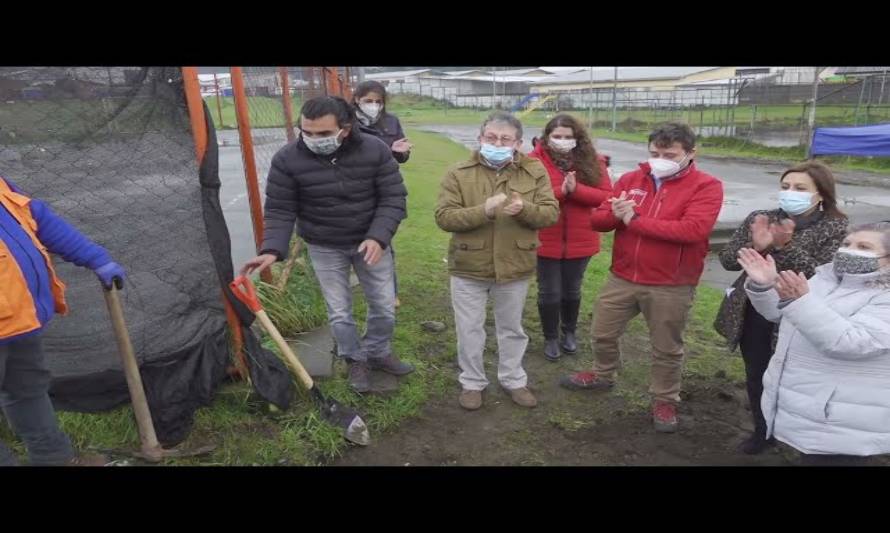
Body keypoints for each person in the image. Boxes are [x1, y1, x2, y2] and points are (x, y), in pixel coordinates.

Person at [240, 96, 413, 394]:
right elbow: (280, 209)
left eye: (322, 134)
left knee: (384, 305)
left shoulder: (375, 150)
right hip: (324, 245)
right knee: (339, 311)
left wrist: (378, 236)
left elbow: (393, 198)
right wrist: (271, 249)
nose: (312, 139)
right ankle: (353, 358)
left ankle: (377, 351)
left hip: (370, 242)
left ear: (344, 129)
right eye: (306, 132)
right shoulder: (287, 159)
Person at [559, 122, 724, 433]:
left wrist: (633, 219)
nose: (660, 158)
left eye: (670, 154)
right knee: (602, 331)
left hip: (671, 283)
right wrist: (616, 212)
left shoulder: (707, 186)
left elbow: (692, 231)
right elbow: (598, 220)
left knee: (666, 347)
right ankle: (602, 373)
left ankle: (664, 399)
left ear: (690, 153)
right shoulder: (632, 179)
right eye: (655, 152)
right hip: (623, 275)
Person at [714, 161, 848, 454]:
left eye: (800, 188)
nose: (790, 193)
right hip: (754, 309)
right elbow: (726, 261)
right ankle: (762, 432)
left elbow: (821, 275)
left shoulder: (837, 228)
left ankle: (796, 433)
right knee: (757, 373)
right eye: (785, 187)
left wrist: (784, 247)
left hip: (802, 314)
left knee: (795, 376)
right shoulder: (760, 218)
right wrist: (758, 246)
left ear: (821, 195)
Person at [435, 111, 559, 411]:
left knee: (512, 328)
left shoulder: (534, 170)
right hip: (468, 266)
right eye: (491, 138)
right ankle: (472, 382)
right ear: (480, 139)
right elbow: (444, 217)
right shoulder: (458, 172)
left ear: (517, 143)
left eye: (505, 139)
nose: (497, 143)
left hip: (515, 265)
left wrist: (525, 209)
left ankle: (514, 379)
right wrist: (484, 211)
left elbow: (550, 213)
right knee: (469, 329)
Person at [738, 221, 890, 465]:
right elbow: (781, 313)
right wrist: (764, 284)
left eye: (864, 246)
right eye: (846, 244)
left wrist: (799, 302)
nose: (850, 250)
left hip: (845, 417)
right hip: (814, 405)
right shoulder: (825, 279)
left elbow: (851, 342)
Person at [1, 175, 126, 466]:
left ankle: (54, 459)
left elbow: (40, 219)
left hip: (20, 320)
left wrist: (96, 258)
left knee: (27, 390)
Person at [528, 114, 612, 361]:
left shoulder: (593, 161)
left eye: (568, 137)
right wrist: (561, 192)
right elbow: (529, 199)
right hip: (545, 237)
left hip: (581, 238)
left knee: (572, 290)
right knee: (549, 292)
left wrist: (577, 191)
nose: (562, 141)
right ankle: (551, 337)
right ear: (546, 137)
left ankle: (570, 332)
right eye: (557, 136)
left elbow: (606, 196)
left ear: (577, 138)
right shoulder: (532, 162)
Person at [352, 81, 412, 308]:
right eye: (369, 101)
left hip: (383, 189)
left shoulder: (391, 121)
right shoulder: (347, 121)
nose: (374, 105)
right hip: (355, 189)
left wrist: (403, 153)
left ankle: (390, 293)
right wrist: (388, 150)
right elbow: (356, 156)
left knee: (383, 241)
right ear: (357, 99)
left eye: (378, 101)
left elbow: (401, 155)